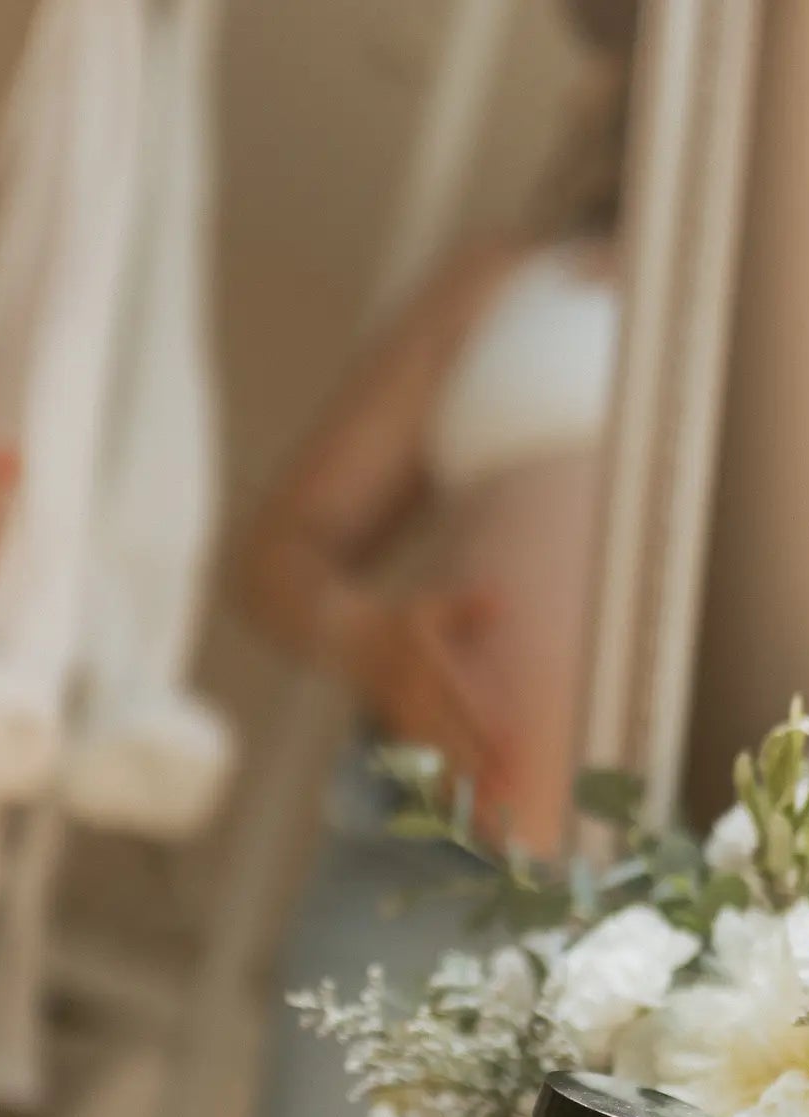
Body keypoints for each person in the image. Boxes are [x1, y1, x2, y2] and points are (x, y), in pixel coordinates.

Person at [238, 2, 634, 859]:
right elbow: (280, 555)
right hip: (421, 855)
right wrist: (372, 642)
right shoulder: (507, 282)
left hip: (712, 922)